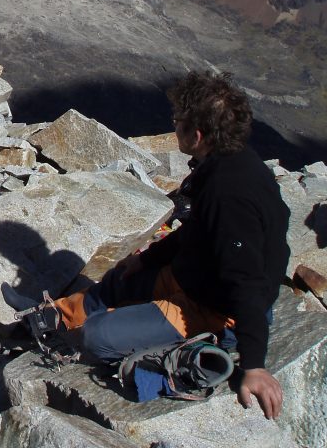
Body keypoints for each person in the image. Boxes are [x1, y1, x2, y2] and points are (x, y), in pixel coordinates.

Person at [25, 71, 290, 419]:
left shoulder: (230, 193)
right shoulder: (227, 163)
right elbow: (200, 232)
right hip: (193, 278)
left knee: (97, 338)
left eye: (178, 121)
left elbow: (245, 279)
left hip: (213, 310)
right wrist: (148, 258)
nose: (173, 125)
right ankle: (55, 316)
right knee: (122, 276)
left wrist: (254, 364)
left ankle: (197, 348)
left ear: (197, 135)